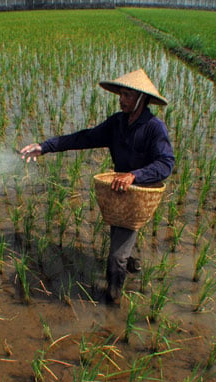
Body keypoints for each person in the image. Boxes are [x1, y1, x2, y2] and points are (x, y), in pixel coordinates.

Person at [20, 69, 174, 304]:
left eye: (127, 96)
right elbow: (84, 138)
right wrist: (45, 147)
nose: (121, 100)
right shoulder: (117, 123)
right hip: (119, 192)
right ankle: (132, 261)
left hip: (139, 194)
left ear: (142, 99)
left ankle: (113, 302)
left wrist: (135, 175)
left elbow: (166, 164)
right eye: (120, 95)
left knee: (116, 257)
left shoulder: (154, 128)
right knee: (119, 232)